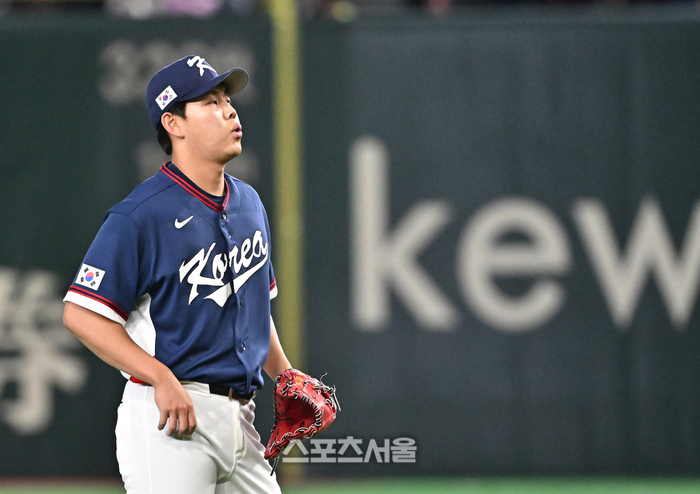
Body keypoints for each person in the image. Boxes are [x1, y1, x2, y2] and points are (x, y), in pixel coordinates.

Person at [62, 55, 291, 494]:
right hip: (168, 414)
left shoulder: (249, 203)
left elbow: (254, 305)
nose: (229, 111)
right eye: (210, 102)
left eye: (227, 100)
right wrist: (159, 377)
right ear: (174, 123)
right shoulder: (140, 215)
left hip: (241, 416)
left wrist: (285, 375)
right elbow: (81, 314)